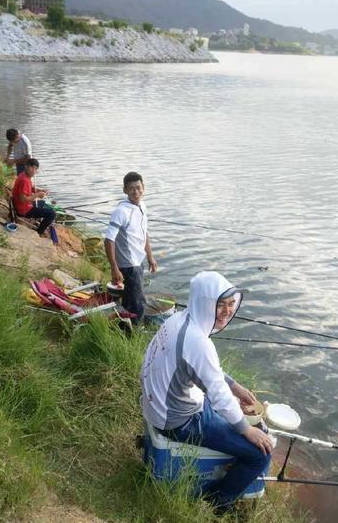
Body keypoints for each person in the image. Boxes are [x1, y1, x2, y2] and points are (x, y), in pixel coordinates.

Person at [141, 271, 273, 513]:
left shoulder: (178, 319)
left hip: (158, 406)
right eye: (219, 305)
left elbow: (204, 372)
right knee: (259, 455)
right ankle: (220, 501)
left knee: (229, 411)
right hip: (177, 420)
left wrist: (235, 387)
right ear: (203, 303)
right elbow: (219, 395)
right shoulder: (199, 342)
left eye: (231, 304)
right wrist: (246, 430)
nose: (227, 311)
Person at [104, 172, 157, 322]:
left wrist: (150, 257)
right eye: (131, 189)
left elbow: (144, 232)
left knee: (129, 300)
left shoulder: (142, 206)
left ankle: (122, 327)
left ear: (143, 188)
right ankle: (133, 335)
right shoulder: (121, 211)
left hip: (138, 261)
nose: (136, 192)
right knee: (138, 305)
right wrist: (114, 267)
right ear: (125, 190)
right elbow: (108, 240)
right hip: (128, 265)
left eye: (138, 188)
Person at [11, 158, 56, 237]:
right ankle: (39, 232)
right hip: (24, 210)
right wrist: (37, 195)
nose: (33, 170)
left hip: (23, 206)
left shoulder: (23, 175)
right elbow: (23, 199)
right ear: (26, 166)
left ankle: (39, 223)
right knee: (52, 214)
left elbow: (29, 188)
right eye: (32, 167)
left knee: (42, 203)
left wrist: (39, 190)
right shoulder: (24, 180)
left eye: (35, 168)